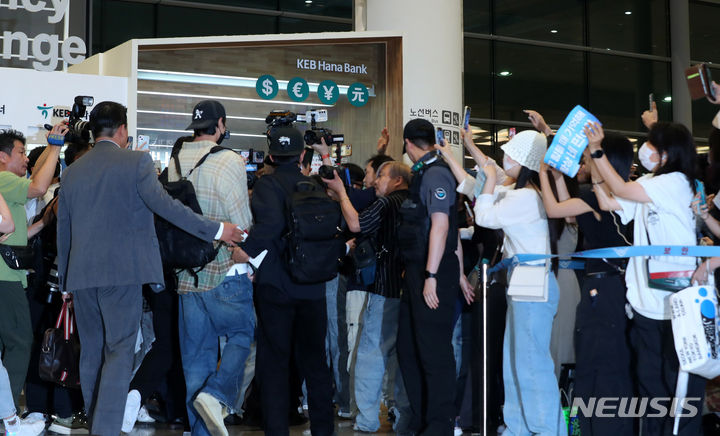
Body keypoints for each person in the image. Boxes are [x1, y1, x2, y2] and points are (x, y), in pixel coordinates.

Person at [55, 101, 246, 436]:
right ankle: (104, 430)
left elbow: (64, 229)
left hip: (81, 277)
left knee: (92, 352)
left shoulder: (72, 172)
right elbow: (168, 208)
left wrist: (66, 282)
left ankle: (98, 422)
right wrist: (217, 230)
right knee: (119, 351)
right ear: (123, 129)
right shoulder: (136, 162)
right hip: (122, 275)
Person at [585, 120, 704, 435]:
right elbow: (611, 202)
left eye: (653, 144)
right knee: (651, 387)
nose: (646, 151)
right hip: (646, 305)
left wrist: (598, 152)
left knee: (678, 392)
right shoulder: (652, 182)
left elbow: (622, 189)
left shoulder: (675, 183)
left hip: (675, 305)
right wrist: (597, 175)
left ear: (667, 153)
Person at [236, 126, 334, 436]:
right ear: (302, 155)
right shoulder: (314, 184)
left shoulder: (268, 185)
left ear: (271, 156)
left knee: (274, 361)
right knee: (316, 363)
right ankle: (324, 429)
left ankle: (276, 430)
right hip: (313, 286)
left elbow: (270, 227)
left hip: (277, 287)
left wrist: (244, 252)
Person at [166, 100, 254, 436]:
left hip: (185, 275)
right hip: (223, 269)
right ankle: (216, 394)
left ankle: (201, 428)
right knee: (243, 334)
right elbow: (242, 223)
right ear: (221, 124)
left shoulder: (174, 160)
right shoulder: (230, 160)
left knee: (195, 362)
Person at [538, 132, 635, 436]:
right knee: (611, 364)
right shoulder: (627, 195)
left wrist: (543, 173)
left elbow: (556, 210)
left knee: (597, 364)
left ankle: (595, 428)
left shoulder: (597, 196)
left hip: (600, 293)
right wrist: (556, 179)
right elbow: (569, 214)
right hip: (618, 289)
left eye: (588, 157)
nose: (583, 163)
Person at [473, 129, 567, 436]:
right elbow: (476, 189)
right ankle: (519, 427)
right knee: (515, 361)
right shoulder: (526, 193)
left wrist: (487, 180)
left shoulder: (526, 196)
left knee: (531, 364)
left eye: (509, 153)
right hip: (525, 283)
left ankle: (546, 430)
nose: (504, 158)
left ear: (522, 159)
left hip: (532, 284)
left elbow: (484, 216)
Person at [323, 161, 411, 433]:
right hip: (410, 291)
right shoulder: (415, 202)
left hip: (383, 288)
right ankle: (402, 414)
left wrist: (341, 193)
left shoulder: (387, 204)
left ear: (397, 180)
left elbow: (355, 223)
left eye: (381, 176)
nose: (376, 182)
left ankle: (367, 419)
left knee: (370, 355)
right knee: (402, 356)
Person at [396, 118, 470, 436]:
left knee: (434, 352)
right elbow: (452, 231)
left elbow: (442, 227)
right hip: (423, 272)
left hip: (432, 273)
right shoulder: (424, 173)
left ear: (409, 144)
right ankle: (424, 418)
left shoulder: (436, 173)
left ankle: (439, 425)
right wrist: (461, 272)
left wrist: (432, 275)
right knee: (409, 347)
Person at [0, 126, 64, 407]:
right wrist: (55, 146)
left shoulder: (7, 185)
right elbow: (38, 186)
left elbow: (19, 233)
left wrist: (44, 222)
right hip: (5, 277)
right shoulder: (3, 179)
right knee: (21, 342)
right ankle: (8, 411)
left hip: (9, 274)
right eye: (21, 153)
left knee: (8, 343)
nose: (26, 159)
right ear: (2, 157)